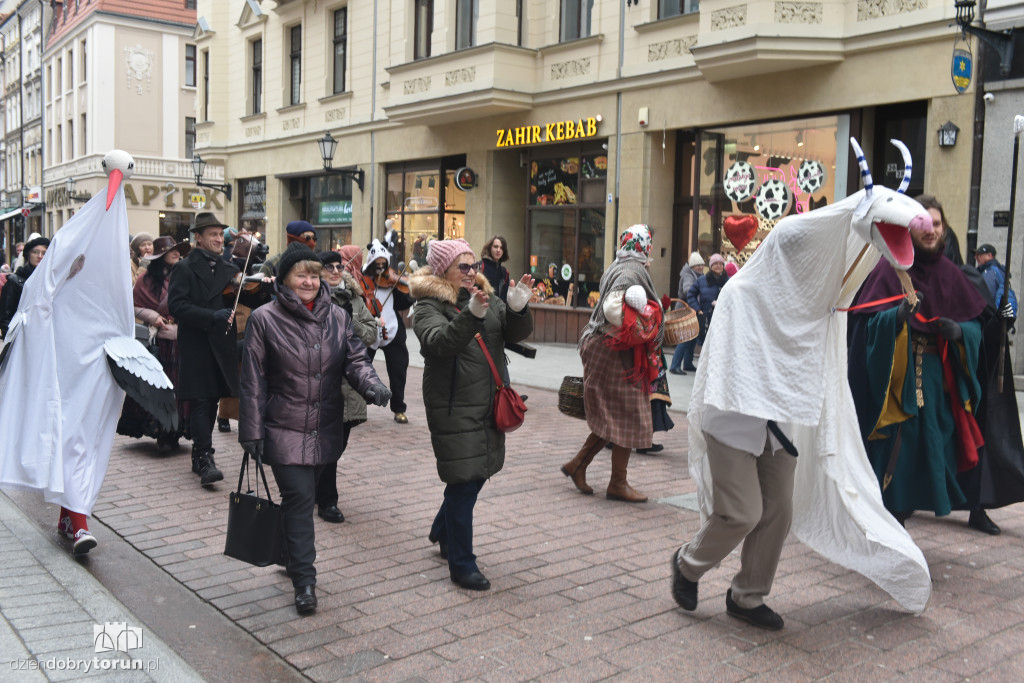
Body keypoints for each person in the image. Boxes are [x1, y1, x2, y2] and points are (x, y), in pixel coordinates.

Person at [673, 142, 938, 630]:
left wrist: (899, 287)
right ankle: (687, 565)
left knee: (779, 511)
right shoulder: (741, 295)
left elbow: (842, 299)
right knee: (742, 512)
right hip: (733, 417)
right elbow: (731, 370)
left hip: (778, 423)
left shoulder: (816, 305)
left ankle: (747, 596)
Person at [239, 243, 391, 615]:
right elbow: (253, 381)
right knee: (301, 498)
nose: (308, 281)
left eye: (313, 274)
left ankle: (290, 552)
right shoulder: (265, 319)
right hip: (282, 426)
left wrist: (371, 384)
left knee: (301, 499)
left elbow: (355, 358)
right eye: (300, 275)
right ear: (285, 279)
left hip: (325, 427)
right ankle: (305, 582)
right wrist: (252, 431)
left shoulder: (338, 317)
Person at [849, 210, 989, 528]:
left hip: (938, 384)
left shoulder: (952, 273)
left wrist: (960, 333)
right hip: (896, 379)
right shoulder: (888, 271)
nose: (930, 230)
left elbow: (973, 327)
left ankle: (911, 510)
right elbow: (868, 327)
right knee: (895, 451)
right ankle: (888, 520)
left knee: (936, 445)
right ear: (908, 230)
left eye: (936, 224)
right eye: (921, 224)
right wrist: (896, 318)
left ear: (944, 229)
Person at [410, 238, 534, 591]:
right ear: (443, 271)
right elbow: (438, 343)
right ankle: (462, 564)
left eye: (473, 265)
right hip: (452, 404)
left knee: (476, 473)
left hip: (487, 400)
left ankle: (442, 529)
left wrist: (517, 307)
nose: (471, 272)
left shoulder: (484, 294)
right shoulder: (427, 305)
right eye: (462, 267)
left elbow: (511, 333)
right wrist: (470, 316)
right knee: (464, 481)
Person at [560, 225, 663, 504]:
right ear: (645, 247)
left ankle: (578, 465)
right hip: (611, 348)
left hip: (605, 347)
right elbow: (613, 309)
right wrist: (646, 317)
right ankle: (617, 483)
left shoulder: (620, 264)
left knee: (616, 414)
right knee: (629, 413)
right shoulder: (630, 271)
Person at [168, 212, 271, 488]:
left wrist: (263, 288)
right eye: (211, 234)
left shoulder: (228, 269)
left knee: (212, 401)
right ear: (198, 237)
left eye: (219, 234)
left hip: (221, 345)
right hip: (197, 345)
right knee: (202, 400)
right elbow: (176, 306)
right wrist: (208, 316)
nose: (217, 238)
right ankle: (204, 457)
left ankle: (199, 453)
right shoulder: (185, 268)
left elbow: (245, 294)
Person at [313, 248, 379, 524]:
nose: (336, 272)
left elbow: (371, 333)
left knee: (338, 442)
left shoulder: (354, 297)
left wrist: (349, 320)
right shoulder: (311, 296)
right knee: (328, 442)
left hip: (349, 382)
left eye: (339, 267)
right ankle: (327, 500)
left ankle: (313, 483)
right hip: (320, 381)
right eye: (329, 267)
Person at [117, 236, 192, 450]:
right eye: (172, 250)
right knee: (161, 387)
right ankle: (162, 432)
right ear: (161, 255)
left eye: (178, 250)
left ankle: (175, 431)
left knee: (180, 388)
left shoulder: (187, 276)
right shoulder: (146, 280)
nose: (177, 254)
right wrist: (153, 316)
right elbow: (134, 305)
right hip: (159, 342)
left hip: (183, 339)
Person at [360, 239, 414, 424]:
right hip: (369, 329)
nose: (382, 269)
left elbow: (401, 303)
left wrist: (410, 295)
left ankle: (399, 407)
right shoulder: (364, 281)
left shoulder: (393, 281)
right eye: (377, 265)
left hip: (393, 329)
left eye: (384, 264)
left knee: (398, 369)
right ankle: (360, 404)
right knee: (361, 368)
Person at [0, 235, 48, 337]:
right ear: (28, 255)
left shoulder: (51, 280)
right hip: (22, 339)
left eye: (44, 253)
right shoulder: (15, 281)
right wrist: (11, 340)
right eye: (35, 252)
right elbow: (5, 316)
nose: (40, 256)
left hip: (45, 338)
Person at [669, 251, 704, 375]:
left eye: (702, 265)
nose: (700, 267)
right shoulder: (688, 275)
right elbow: (687, 290)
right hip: (685, 309)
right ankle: (675, 365)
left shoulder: (698, 275)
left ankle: (688, 363)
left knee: (692, 336)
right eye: (698, 265)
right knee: (685, 337)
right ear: (692, 266)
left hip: (692, 308)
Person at [687, 253, 729, 347]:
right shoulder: (702, 280)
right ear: (711, 266)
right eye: (715, 263)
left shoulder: (729, 281)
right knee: (707, 345)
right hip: (706, 318)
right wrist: (698, 310)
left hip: (724, 319)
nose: (718, 266)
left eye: (720, 263)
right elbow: (691, 294)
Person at [974, 243, 1017, 318]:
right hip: (998, 317)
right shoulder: (999, 270)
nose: (976, 258)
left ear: (989, 255)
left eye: (979, 255)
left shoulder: (990, 272)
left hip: (989, 318)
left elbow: (986, 298)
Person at [480, 235, 511, 301]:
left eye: (501, 248)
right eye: (495, 247)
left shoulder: (505, 272)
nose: (498, 250)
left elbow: (505, 298)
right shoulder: (480, 266)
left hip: (499, 309)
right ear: (489, 248)